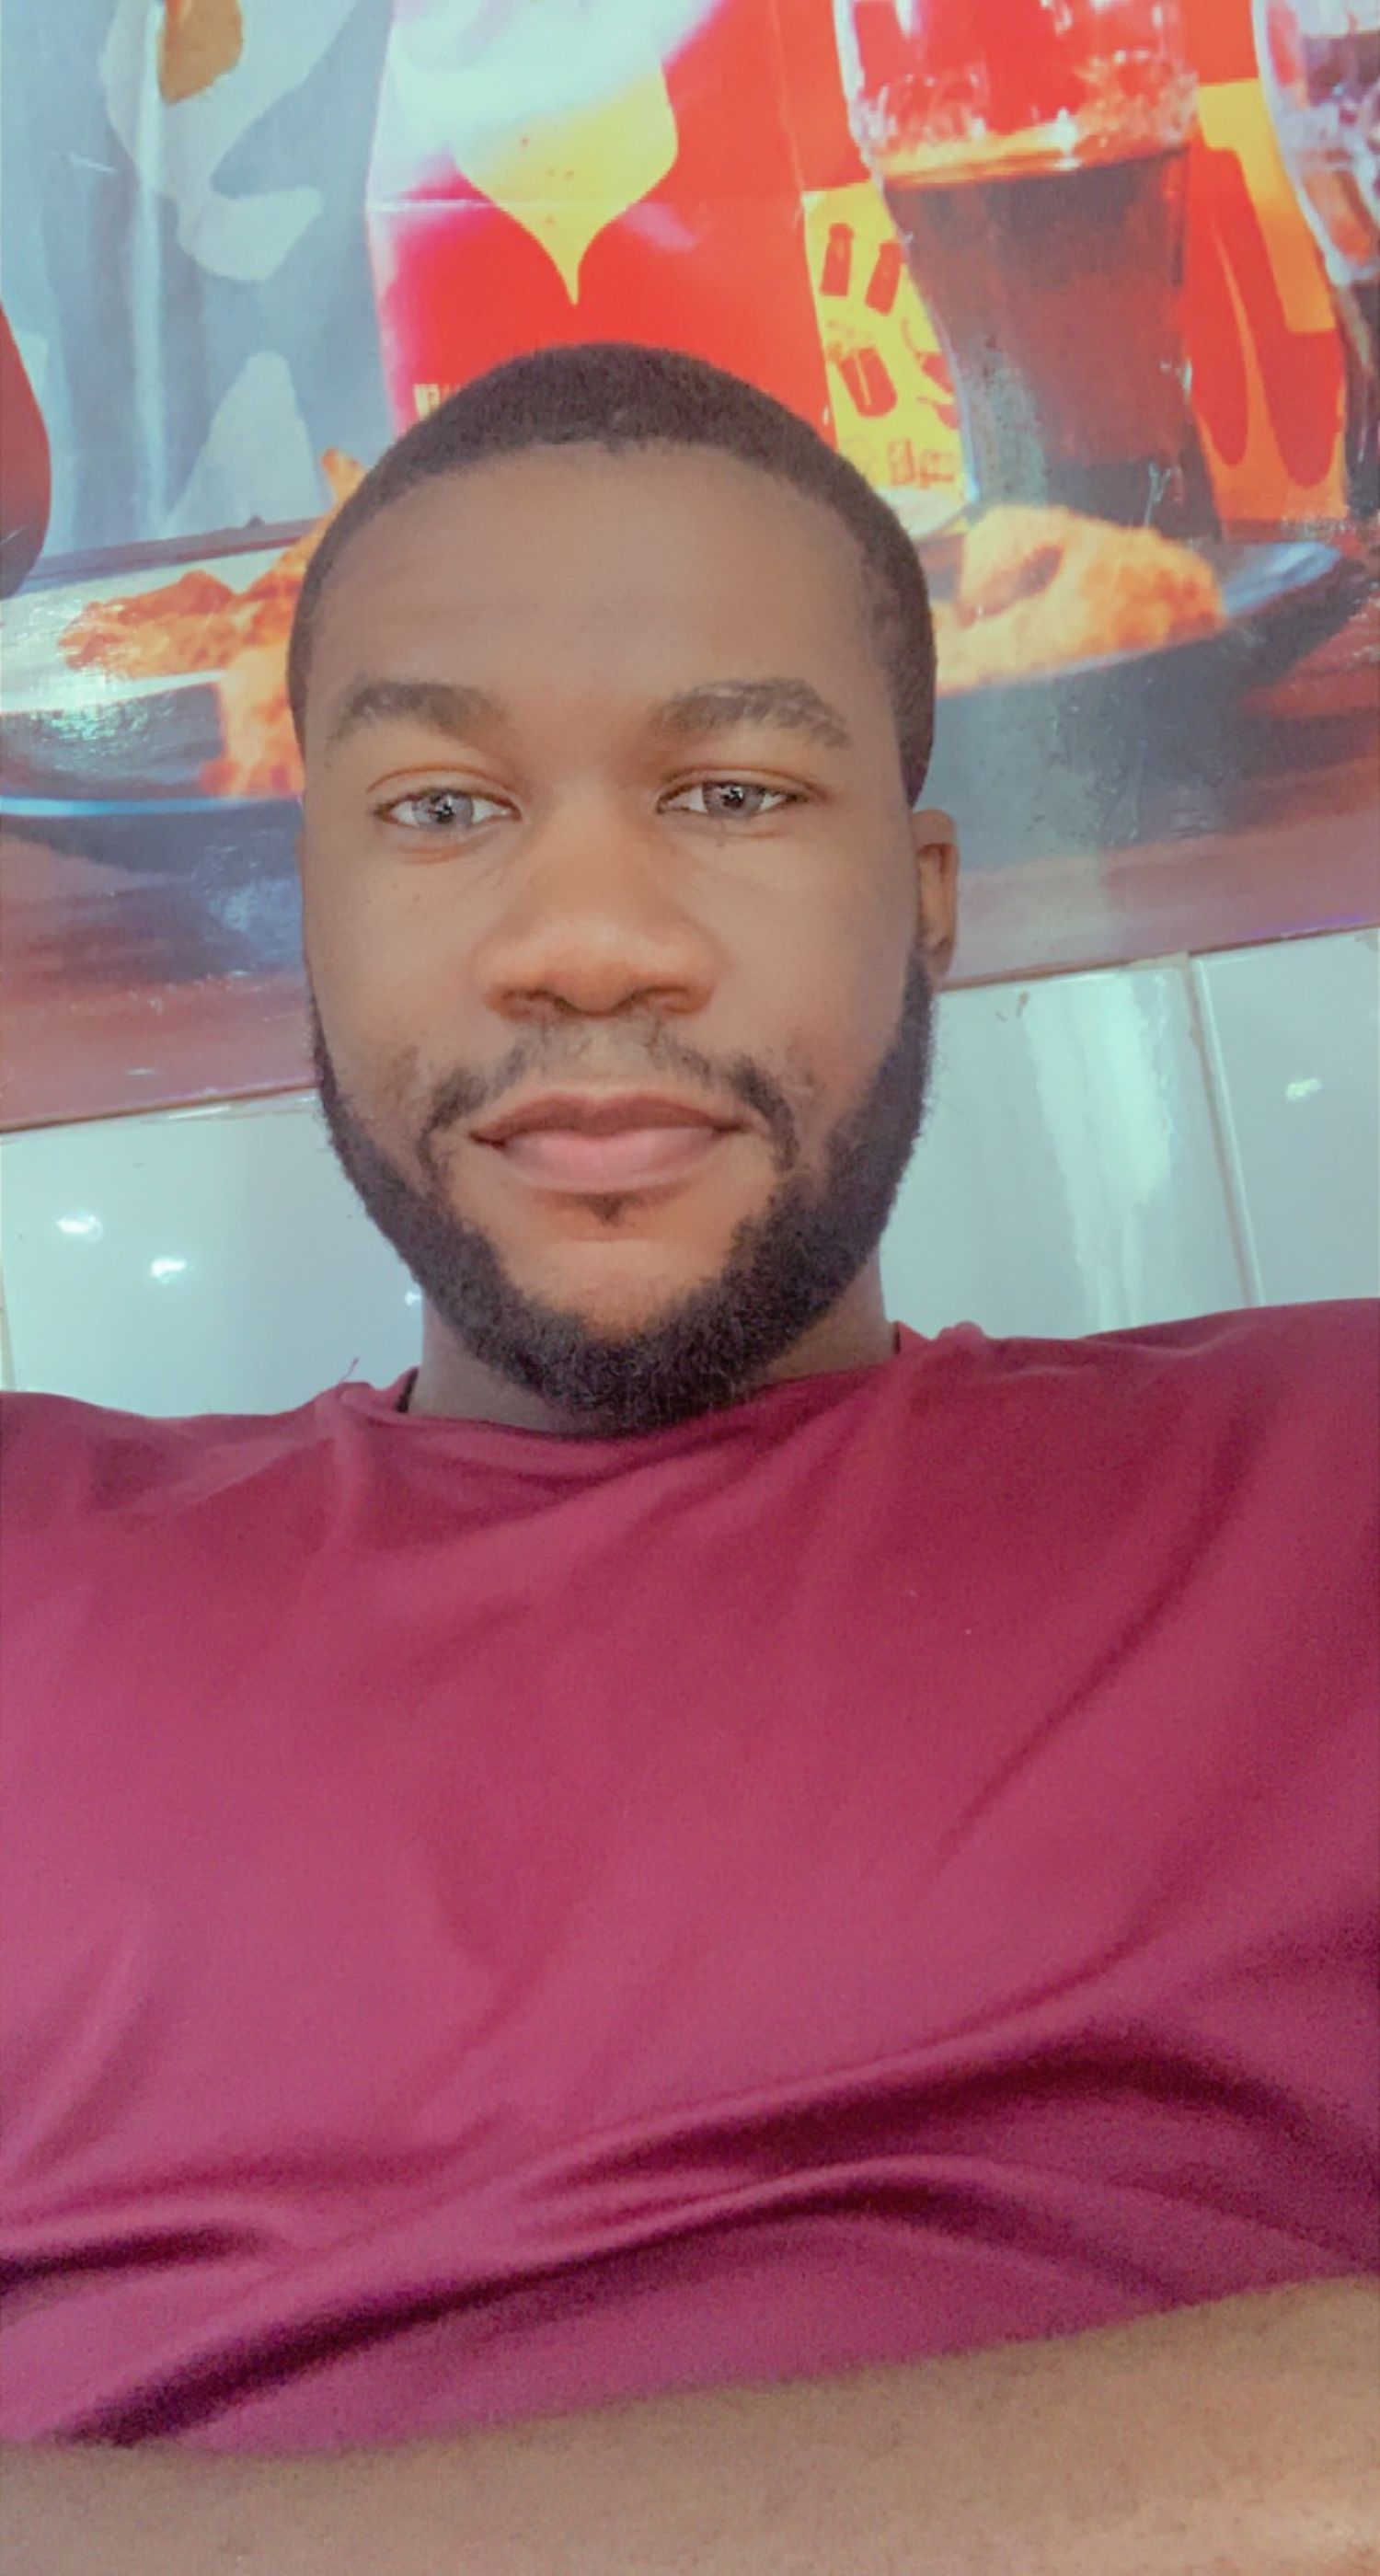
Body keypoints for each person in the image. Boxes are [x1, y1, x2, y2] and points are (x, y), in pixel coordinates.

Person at [1, 343, 1375, 2574]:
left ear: (927, 892)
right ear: (308, 909)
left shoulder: (1326, 1491)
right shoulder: (36, 1563)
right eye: (437, 807)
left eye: (733, 789)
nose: (586, 944)